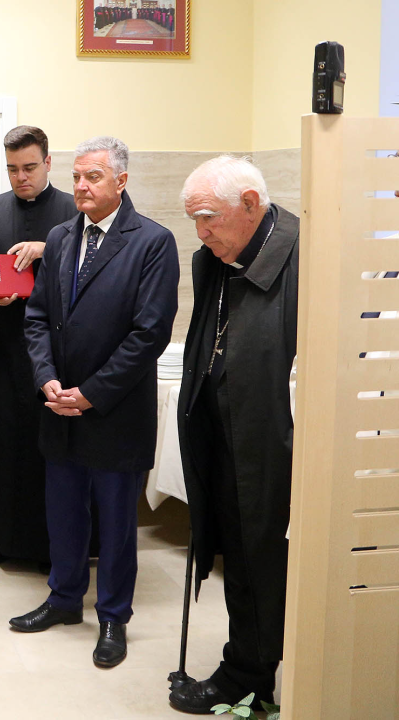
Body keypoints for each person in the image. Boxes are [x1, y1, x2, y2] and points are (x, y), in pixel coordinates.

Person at [15, 136, 179, 669]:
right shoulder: (61, 237)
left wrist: (91, 393)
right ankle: (64, 599)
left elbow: (149, 334)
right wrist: (46, 379)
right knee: (63, 514)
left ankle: (113, 617)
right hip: (59, 406)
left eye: (94, 177)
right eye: (77, 177)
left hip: (114, 411)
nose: (81, 187)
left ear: (121, 181)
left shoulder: (151, 242)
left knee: (115, 525)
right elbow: (37, 317)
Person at [169, 156, 299, 714]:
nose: (200, 233)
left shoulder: (301, 259)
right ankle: (248, 667)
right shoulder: (218, 259)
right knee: (237, 559)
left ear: (250, 205)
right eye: (194, 220)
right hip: (222, 436)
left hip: (272, 447)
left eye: (208, 218)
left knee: (265, 562)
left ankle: (254, 674)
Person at [0, 125, 77, 569]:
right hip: (1, 342)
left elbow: (91, 267)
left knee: (47, 445)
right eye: (12, 169)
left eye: (29, 167)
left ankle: (50, 544)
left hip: (57, 346)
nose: (20, 177)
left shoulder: (73, 211)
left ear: (48, 163)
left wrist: (48, 248)